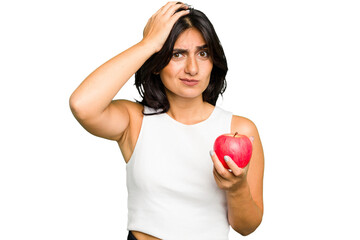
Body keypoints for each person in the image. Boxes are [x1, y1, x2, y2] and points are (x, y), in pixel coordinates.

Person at [70, 2, 264, 240]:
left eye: (203, 54)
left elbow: (247, 227)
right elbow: (82, 105)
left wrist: (236, 188)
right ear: (156, 63)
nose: (192, 68)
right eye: (177, 54)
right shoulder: (134, 120)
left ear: (214, 61)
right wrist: (148, 43)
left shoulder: (239, 129)